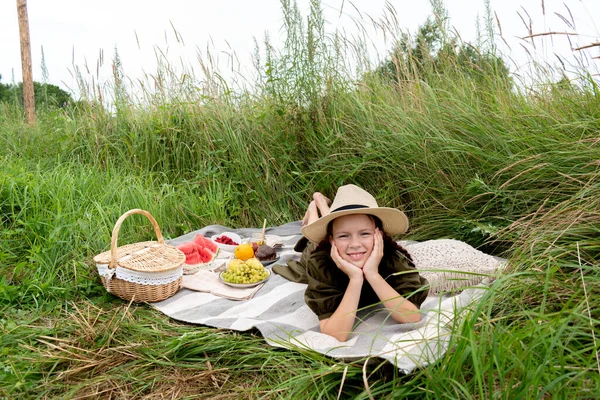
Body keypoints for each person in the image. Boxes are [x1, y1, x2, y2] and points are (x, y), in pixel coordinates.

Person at [298, 184, 429, 342]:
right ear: (331, 240)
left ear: (378, 235)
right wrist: (355, 279)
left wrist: (372, 274)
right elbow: (335, 334)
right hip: (325, 249)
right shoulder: (320, 262)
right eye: (344, 236)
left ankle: (321, 204)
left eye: (365, 233)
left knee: (343, 226)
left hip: (342, 241)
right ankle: (315, 206)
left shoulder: (393, 258)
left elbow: (412, 317)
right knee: (312, 241)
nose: (355, 244)